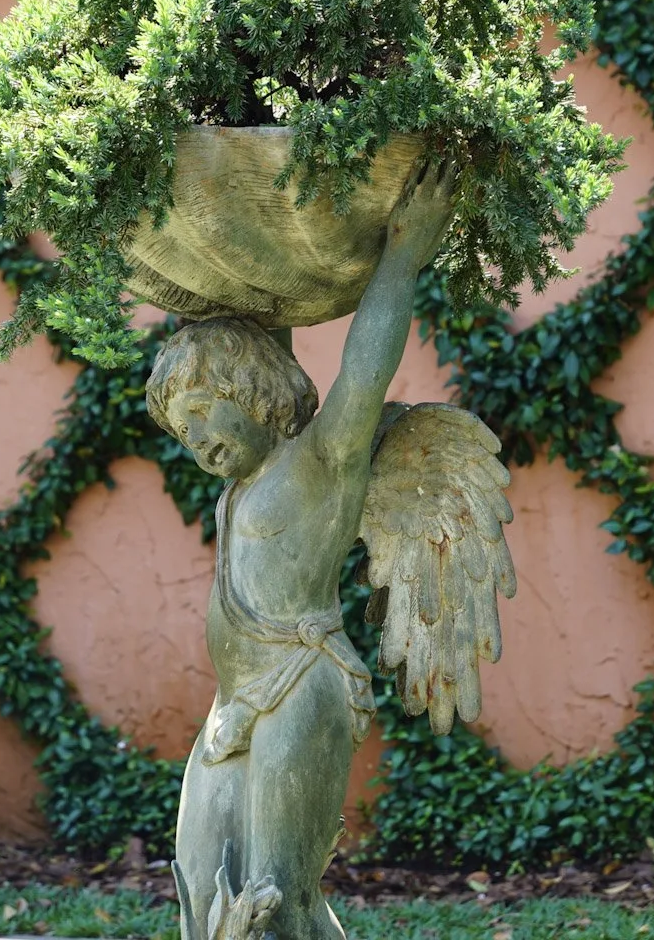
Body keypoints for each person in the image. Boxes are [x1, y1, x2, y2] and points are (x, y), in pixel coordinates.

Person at [146, 160, 459, 940]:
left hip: (300, 687)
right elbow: (263, 305)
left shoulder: (321, 463)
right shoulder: (239, 485)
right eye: (183, 431)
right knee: (203, 894)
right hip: (232, 704)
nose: (197, 439)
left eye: (203, 411)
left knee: (276, 898)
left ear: (252, 392)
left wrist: (403, 252)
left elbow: (365, 368)